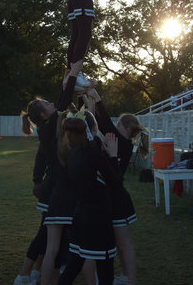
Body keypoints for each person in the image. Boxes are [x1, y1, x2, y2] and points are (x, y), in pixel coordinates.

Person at [13, 60, 83, 285]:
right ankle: (25, 275)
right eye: (48, 104)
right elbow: (63, 102)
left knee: (49, 235)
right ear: (44, 115)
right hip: (55, 186)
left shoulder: (48, 126)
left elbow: (40, 156)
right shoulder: (51, 125)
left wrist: (68, 80)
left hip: (51, 183)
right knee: (47, 235)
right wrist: (72, 75)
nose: (53, 104)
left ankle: (33, 273)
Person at [84, 88, 149, 285]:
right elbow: (99, 124)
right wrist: (91, 102)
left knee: (123, 244)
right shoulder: (120, 141)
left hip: (117, 200)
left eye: (118, 125)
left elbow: (105, 123)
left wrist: (98, 99)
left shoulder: (124, 142)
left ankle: (131, 280)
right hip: (111, 198)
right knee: (120, 244)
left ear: (126, 130)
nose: (113, 128)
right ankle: (125, 277)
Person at [57, 109, 122, 285]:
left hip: (80, 216)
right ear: (91, 129)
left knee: (73, 266)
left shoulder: (73, 154)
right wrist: (114, 155)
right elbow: (116, 183)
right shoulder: (92, 154)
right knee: (105, 271)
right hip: (98, 219)